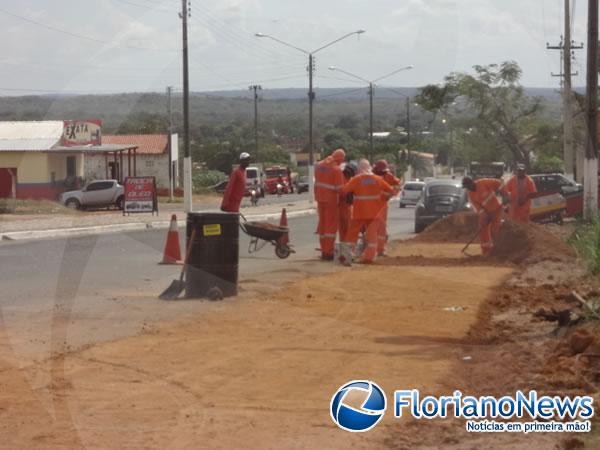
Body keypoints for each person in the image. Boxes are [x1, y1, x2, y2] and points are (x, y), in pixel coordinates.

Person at [342, 159, 394, 263]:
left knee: (352, 234)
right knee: (372, 235)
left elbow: (344, 191)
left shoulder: (356, 179)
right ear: (369, 167)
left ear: (359, 169)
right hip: (373, 213)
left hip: (359, 213)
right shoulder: (377, 179)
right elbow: (391, 190)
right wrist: (383, 197)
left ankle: (347, 255)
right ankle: (369, 257)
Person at [315, 148, 346, 260]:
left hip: (320, 199)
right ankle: (329, 252)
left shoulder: (319, 166)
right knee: (330, 227)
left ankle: (324, 250)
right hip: (330, 201)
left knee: (322, 226)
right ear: (340, 159)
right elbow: (340, 190)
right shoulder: (336, 170)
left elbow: (317, 183)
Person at [462, 176, 504, 256]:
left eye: (467, 186)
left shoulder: (483, 182)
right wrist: (484, 215)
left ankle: (497, 250)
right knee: (482, 227)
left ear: (471, 183)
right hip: (486, 213)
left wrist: (504, 193)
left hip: (496, 210)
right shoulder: (470, 194)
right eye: (466, 187)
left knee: (495, 229)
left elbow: (499, 183)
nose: (467, 188)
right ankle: (486, 250)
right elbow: (477, 207)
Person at [373, 159, 401, 256]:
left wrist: (391, 194)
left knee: (381, 227)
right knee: (370, 228)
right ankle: (370, 249)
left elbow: (398, 184)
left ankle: (380, 249)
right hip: (370, 205)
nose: (382, 172)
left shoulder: (388, 176)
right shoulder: (371, 176)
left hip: (382, 205)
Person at [338, 161, 357, 243]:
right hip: (345, 206)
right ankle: (347, 248)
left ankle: (344, 248)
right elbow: (345, 192)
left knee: (343, 229)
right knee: (348, 228)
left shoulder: (342, 177)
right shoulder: (346, 179)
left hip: (340, 207)